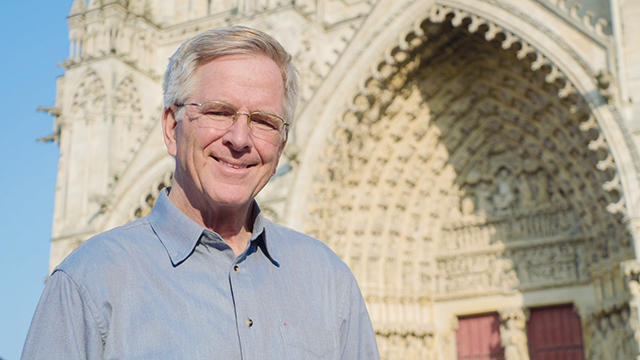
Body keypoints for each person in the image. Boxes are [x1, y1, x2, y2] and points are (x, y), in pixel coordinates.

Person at [22, 26, 380, 360]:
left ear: (282, 144)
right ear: (170, 128)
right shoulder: (89, 281)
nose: (240, 139)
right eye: (218, 112)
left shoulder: (329, 280)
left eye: (264, 121)